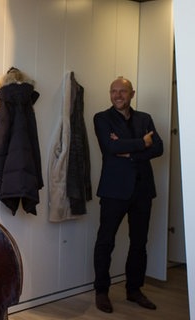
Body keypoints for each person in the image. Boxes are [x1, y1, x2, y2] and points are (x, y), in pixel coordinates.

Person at [92, 77, 163, 313]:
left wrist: (129, 151)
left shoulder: (145, 118)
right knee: (105, 242)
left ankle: (134, 290)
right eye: (114, 91)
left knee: (139, 243)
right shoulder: (102, 119)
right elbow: (109, 148)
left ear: (132, 94)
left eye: (123, 91)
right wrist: (142, 143)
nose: (118, 95)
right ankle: (101, 291)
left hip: (142, 190)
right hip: (114, 190)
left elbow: (159, 147)